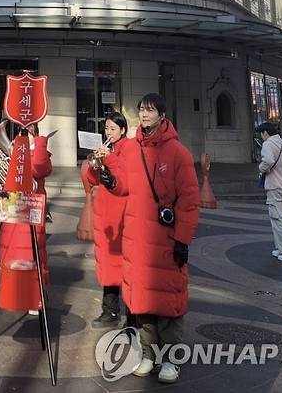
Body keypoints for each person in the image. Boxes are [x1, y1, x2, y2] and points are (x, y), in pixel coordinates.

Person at [102, 93, 199, 383]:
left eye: (151, 110)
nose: (144, 115)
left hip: (166, 240)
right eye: (142, 110)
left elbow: (190, 200)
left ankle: (170, 360)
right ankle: (148, 355)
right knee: (141, 300)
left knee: (167, 300)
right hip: (137, 240)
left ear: (162, 114)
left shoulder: (178, 152)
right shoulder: (132, 149)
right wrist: (111, 180)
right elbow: (125, 187)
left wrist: (183, 240)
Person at [0, 123, 52, 314]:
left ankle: (34, 295)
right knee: (11, 253)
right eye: (21, 130)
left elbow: (39, 169)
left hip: (31, 206)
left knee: (32, 253)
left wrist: (39, 144)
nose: (23, 134)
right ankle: (11, 291)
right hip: (13, 205)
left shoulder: (39, 150)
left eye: (28, 131)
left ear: (35, 133)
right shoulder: (13, 148)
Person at [85, 112, 129, 328]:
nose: (108, 132)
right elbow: (95, 180)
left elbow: (124, 177)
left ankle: (127, 313)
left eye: (112, 128)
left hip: (119, 215)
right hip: (104, 214)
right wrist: (93, 166)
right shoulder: (108, 150)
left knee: (120, 265)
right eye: (106, 128)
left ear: (122, 130)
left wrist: (108, 157)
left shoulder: (127, 148)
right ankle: (110, 311)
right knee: (107, 264)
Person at [257, 122, 282, 263]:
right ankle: (281, 248)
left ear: (265, 133)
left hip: (274, 186)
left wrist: (261, 168)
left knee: (277, 219)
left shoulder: (268, 144)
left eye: (261, 134)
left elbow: (268, 160)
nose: (261, 137)